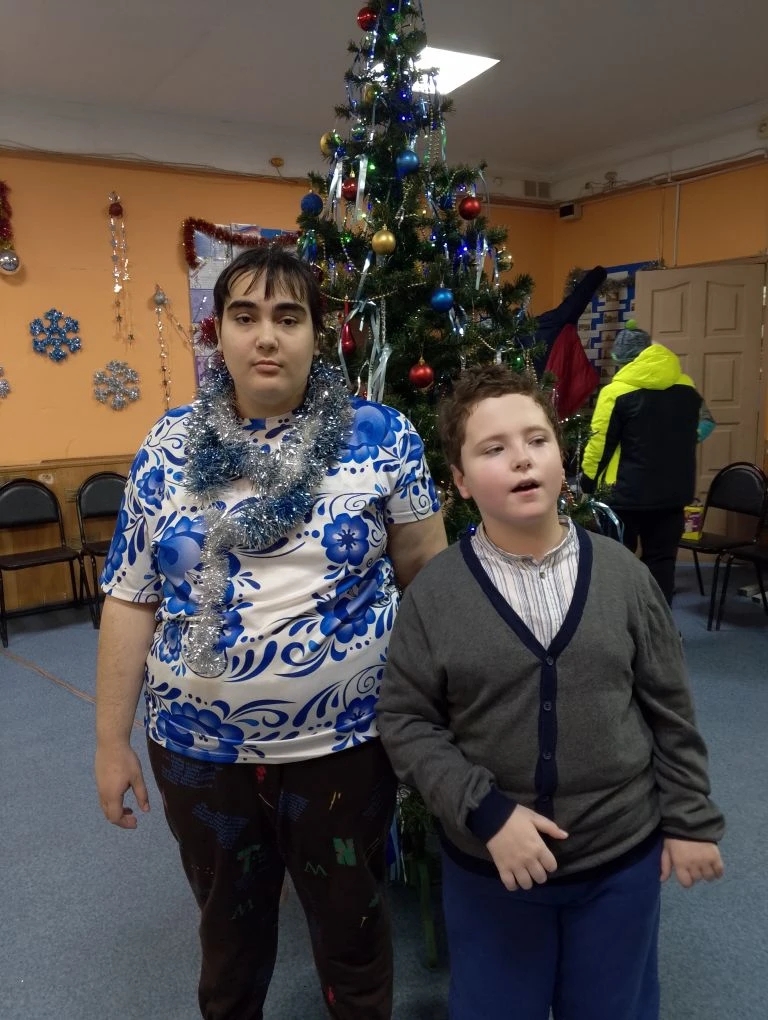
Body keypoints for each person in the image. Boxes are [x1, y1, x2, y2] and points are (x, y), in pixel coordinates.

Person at [94, 246, 446, 1020]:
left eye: (288, 318)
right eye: (245, 317)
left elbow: (429, 580)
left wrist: (438, 719)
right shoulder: (167, 446)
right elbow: (130, 598)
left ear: (318, 334)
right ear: (218, 334)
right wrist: (110, 742)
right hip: (197, 753)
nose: (266, 337)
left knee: (352, 931)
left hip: (347, 748)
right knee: (229, 935)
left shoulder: (383, 436)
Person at [377, 364, 724, 1020]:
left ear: (562, 458)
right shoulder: (436, 594)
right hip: (492, 867)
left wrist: (689, 818)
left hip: (618, 859)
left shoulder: (624, 577)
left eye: (536, 440)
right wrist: (486, 813)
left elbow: (670, 710)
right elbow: (406, 720)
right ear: (458, 481)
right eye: (493, 448)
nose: (521, 459)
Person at [580, 319, 708, 604]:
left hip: (625, 495)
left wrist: (588, 482)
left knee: (617, 562)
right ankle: (659, 625)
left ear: (622, 360)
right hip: (673, 495)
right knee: (662, 562)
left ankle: (621, 623)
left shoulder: (616, 393)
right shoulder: (687, 388)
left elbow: (599, 444)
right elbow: (696, 430)